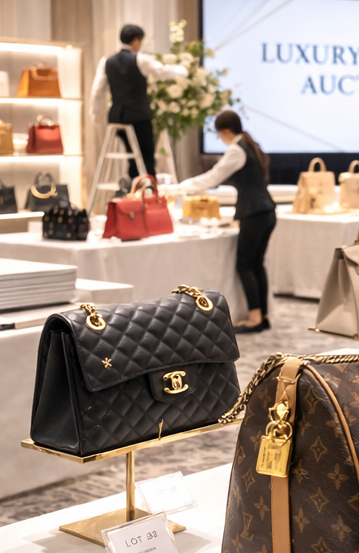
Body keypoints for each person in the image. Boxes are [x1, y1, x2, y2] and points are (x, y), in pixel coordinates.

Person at [167, 111, 277, 333]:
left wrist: (178, 188)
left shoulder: (237, 150)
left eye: (219, 134)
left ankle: (255, 318)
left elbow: (213, 177)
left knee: (245, 264)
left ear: (226, 131)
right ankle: (263, 316)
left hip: (254, 213)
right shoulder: (250, 146)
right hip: (266, 211)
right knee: (256, 264)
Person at [88, 24, 187, 181]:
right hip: (138, 117)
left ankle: (133, 182)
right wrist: (182, 71)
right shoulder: (140, 60)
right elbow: (161, 71)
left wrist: (94, 113)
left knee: (133, 155)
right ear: (136, 40)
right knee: (146, 156)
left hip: (117, 117)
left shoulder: (106, 62)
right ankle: (147, 188)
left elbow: (97, 90)